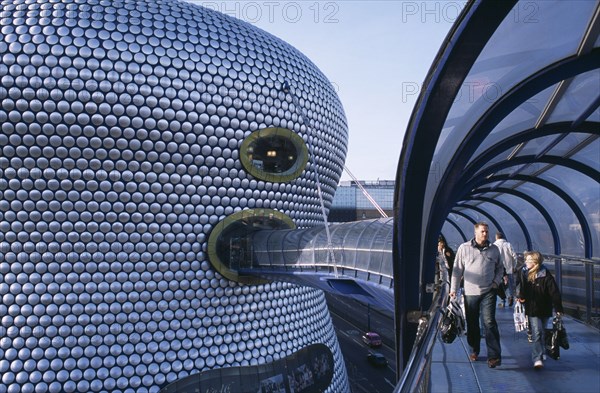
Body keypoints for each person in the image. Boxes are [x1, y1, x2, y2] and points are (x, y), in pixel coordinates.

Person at [450, 222, 504, 368]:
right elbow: (457, 270)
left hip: (489, 291)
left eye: (486, 231)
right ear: (475, 233)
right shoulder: (464, 248)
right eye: (482, 232)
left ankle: (494, 356)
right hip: (470, 292)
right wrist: (453, 289)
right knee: (472, 323)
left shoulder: (494, 249)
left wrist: (496, 283)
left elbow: (500, 268)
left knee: (489, 322)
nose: (485, 234)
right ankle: (474, 349)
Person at [515, 251, 564, 370]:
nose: (526, 262)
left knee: (541, 331)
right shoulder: (523, 272)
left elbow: (554, 292)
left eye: (529, 260)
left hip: (545, 308)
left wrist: (558, 308)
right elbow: (519, 286)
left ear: (535, 262)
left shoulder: (545, 274)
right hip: (532, 308)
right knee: (537, 332)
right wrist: (520, 296)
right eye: (526, 260)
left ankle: (541, 351)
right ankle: (537, 358)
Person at [494, 232, 518, 307]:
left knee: (499, 285)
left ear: (496, 237)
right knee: (508, 284)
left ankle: (502, 300)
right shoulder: (508, 245)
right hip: (508, 268)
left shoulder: (494, 245)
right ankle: (510, 296)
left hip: (498, 269)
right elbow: (514, 256)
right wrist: (514, 266)